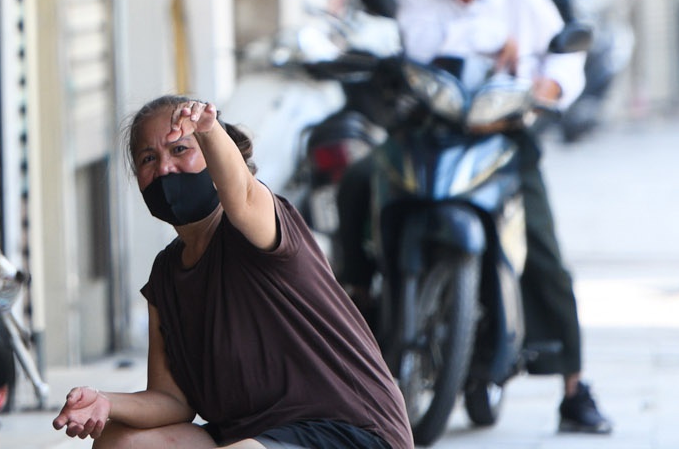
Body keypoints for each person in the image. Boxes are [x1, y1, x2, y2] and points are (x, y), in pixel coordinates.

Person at [332, 0, 614, 436]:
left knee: (545, 252)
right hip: (417, 137)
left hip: (501, 140)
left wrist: (547, 87)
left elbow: (563, 61)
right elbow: (370, 46)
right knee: (357, 180)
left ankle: (574, 387)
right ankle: (358, 300)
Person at [53, 97, 413, 449]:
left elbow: (240, 195)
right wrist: (104, 402)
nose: (164, 168)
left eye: (180, 150)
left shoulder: (257, 225)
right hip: (249, 435)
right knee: (120, 440)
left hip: (351, 430)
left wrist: (209, 131)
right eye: (149, 159)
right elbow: (171, 400)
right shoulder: (166, 274)